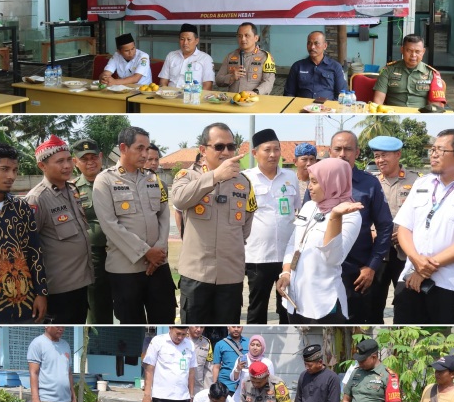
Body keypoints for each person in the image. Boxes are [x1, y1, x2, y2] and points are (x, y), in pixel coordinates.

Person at [172, 122, 257, 323]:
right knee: (194, 335)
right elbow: (179, 200)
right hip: (196, 274)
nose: (226, 152)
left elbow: (245, 226)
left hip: (230, 276)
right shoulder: (187, 176)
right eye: (219, 147)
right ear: (203, 150)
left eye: (231, 146)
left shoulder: (243, 182)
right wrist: (215, 176)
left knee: (224, 333)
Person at [93, 126, 176, 324]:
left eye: (147, 149)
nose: (145, 154)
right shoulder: (105, 180)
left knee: (165, 320)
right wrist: (146, 252)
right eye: (140, 148)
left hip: (158, 265)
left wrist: (159, 249)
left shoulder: (152, 178)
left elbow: (164, 214)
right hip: (125, 270)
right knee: (132, 326)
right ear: (123, 147)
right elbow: (110, 225)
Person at [393, 129, 454, 324]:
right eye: (432, 149)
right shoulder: (422, 183)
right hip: (409, 279)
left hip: (450, 285)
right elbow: (404, 227)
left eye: (440, 150)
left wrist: (424, 269)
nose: (433, 154)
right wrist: (416, 261)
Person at [277, 158, 363, 323]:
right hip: (295, 297)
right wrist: (286, 273)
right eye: (310, 181)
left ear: (333, 182)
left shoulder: (350, 214)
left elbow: (334, 258)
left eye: (315, 182)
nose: (309, 186)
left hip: (323, 303)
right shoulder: (310, 206)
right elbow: (293, 244)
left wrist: (335, 217)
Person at [26, 135, 94, 324]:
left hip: (80, 283)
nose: (67, 166)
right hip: (57, 291)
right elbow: (29, 249)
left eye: (68, 160)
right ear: (42, 166)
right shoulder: (37, 199)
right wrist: (39, 293)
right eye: (59, 161)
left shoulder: (71, 190)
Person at [328, 131, 393, 323]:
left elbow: (385, 226)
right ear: (330, 152)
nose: (342, 154)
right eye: (337, 149)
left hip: (357, 273)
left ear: (357, 153)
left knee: (357, 324)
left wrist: (372, 266)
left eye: (348, 149)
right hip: (323, 271)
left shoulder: (369, 183)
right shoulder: (318, 181)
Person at [243, 129, 300, 324]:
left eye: (277, 149)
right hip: (258, 254)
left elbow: (296, 210)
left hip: (287, 254)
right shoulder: (246, 178)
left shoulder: (290, 177)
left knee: (287, 305)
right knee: (257, 306)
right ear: (255, 153)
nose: (273, 154)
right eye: (267, 150)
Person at [367, 136, 421, 323]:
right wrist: (372, 231)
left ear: (398, 154)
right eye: (376, 156)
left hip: (405, 253)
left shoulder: (417, 181)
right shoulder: (372, 182)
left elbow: (422, 214)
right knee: (374, 302)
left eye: (384, 155)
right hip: (378, 253)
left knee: (405, 301)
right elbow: (365, 213)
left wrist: (407, 233)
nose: (380, 160)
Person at [0, 143, 47, 324]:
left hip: (26, 301)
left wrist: (41, 293)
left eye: (15, 170)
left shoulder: (21, 207)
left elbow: (34, 252)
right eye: (4, 169)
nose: (11, 176)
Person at [72, 138, 113, 325]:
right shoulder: (71, 189)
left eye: (94, 157)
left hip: (121, 252)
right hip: (93, 256)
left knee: (127, 302)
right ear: (75, 162)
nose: (90, 162)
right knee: (98, 305)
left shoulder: (116, 182)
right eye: (84, 158)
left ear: (101, 157)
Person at [373, 35, 447, 109]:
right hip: (394, 115)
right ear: (402, 50)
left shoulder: (432, 74)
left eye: (417, 51)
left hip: (420, 116)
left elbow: (436, 107)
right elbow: (378, 101)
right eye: (409, 51)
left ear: (423, 51)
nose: (413, 55)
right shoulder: (388, 70)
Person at [141, 327, 196, 402]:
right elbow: (149, 369)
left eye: (184, 334)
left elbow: (191, 372)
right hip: (163, 398)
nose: (180, 337)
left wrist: (191, 396)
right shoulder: (158, 341)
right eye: (178, 333)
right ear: (170, 328)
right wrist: (147, 394)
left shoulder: (190, 344)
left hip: (183, 398)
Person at [216, 22, 276, 95]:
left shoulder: (265, 57)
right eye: (240, 36)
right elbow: (218, 80)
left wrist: (255, 92)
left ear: (256, 38)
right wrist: (231, 77)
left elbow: (268, 82)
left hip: (255, 101)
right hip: (233, 101)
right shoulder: (230, 56)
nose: (243, 39)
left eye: (247, 35)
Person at [284, 31, 346, 100]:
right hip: (301, 107)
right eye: (309, 43)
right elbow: (288, 93)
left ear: (325, 46)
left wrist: (330, 108)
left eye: (316, 43)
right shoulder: (298, 66)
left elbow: (342, 94)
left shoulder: (335, 67)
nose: (312, 47)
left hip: (327, 108)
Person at [159, 24, 215, 90]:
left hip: (193, 97)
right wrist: (167, 94)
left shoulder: (205, 58)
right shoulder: (171, 56)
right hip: (171, 96)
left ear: (196, 41)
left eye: (189, 39)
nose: (185, 43)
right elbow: (163, 81)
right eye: (182, 39)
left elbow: (207, 86)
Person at [229, 334, 274, 402]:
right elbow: (233, 379)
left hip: (259, 400)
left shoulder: (267, 363)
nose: (255, 347)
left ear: (262, 347)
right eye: (252, 345)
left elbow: (271, 383)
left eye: (258, 345)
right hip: (241, 399)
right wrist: (238, 369)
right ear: (249, 346)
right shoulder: (242, 359)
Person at [212, 326, 249, 396]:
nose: (236, 329)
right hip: (225, 384)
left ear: (242, 328)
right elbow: (216, 366)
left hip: (244, 384)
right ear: (228, 327)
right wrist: (214, 385)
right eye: (233, 327)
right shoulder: (220, 344)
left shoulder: (249, 343)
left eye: (238, 327)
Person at [189, 326, 214, 395]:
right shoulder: (182, 339)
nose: (199, 330)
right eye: (196, 327)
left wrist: (208, 391)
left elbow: (208, 370)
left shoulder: (206, 343)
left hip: (198, 389)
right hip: (182, 387)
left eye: (202, 327)